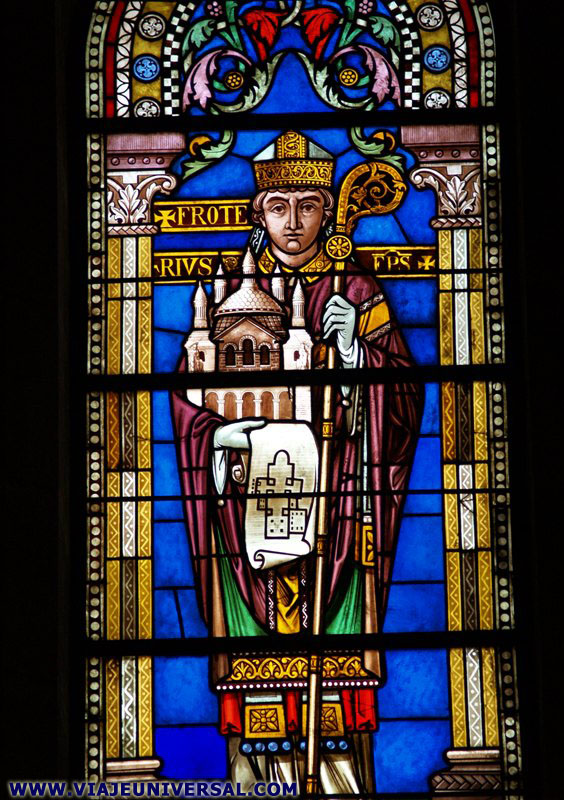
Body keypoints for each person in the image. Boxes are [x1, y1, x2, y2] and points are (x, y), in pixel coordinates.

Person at [171, 131, 423, 794]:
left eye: (307, 206)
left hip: (336, 514)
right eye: (278, 206)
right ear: (259, 210)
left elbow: (403, 404)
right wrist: (218, 436)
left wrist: (358, 357)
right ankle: (258, 780)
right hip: (243, 517)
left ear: (325, 211)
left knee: (333, 686)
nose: (292, 222)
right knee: (257, 691)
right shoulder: (230, 295)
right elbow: (185, 401)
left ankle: (337, 780)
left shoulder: (356, 290)